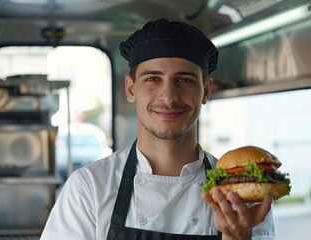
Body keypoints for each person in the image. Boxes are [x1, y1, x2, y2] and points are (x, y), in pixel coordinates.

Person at [40, 18, 275, 240]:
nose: (169, 97)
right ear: (131, 89)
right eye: (153, 79)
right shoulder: (89, 188)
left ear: (206, 90)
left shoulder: (240, 192)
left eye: (184, 80)